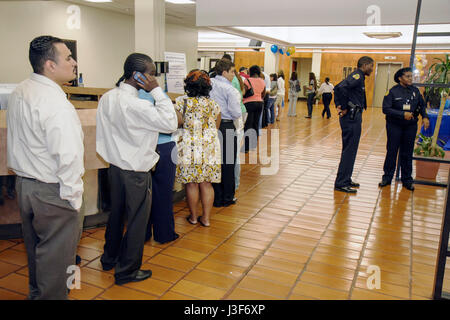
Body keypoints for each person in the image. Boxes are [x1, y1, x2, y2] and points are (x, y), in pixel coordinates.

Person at [7, 35, 84, 300]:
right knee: (56, 264)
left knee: (37, 255)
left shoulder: (21, 90)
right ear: (50, 65)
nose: (74, 63)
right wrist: (73, 199)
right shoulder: (55, 103)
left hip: (26, 186)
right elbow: (68, 155)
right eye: (68, 57)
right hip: (53, 192)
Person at [96, 53, 178, 285]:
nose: (154, 78)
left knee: (116, 215)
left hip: (114, 167)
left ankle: (109, 257)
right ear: (137, 75)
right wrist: (157, 91)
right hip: (135, 172)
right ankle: (127, 271)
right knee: (136, 221)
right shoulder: (138, 105)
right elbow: (171, 123)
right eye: (151, 74)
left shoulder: (108, 97)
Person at [176, 70, 222, 226]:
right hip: (209, 147)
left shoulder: (181, 102)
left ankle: (194, 217)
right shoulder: (214, 104)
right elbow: (216, 127)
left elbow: (177, 123)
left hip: (189, 146)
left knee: (191, 183)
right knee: (207, 183)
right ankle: (206, 219)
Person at [137, 89, 181, 244]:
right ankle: (164, 234)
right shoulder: (158, 94)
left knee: (142, 195)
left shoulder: (131, 96)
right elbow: (175, 121)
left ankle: (142, 234)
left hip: (141, 148)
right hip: (164, 147)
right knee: (163, 193)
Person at [379, 67, 430, 191]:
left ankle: (407, 179)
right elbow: (386, 109)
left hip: (410, 126)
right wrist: (402, 114)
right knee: (392, 151)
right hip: (394, 126)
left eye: (411, 76)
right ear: (400, 78)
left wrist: (425, 117)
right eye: (408, 76)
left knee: (407, 152)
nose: (410, 78)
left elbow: (422, 105)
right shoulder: (392, 92)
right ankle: (387, 177)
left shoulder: (415, 91)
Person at [334, 56, 374, 193]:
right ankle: (341, 182)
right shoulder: (357, 75)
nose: (372, 69)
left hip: (354, 116)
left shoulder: (359, 77)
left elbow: (339, 87)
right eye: (371, 66)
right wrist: (343, 107)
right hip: (351, 117)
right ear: (365, 65)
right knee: (349, 150)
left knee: (351, 149)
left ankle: (346, 178)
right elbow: (340, 88)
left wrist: (340, 105)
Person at [210, 59, 242, 207]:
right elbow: (236, 113)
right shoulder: (230, 89)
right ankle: (228, 197)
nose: (234, 75)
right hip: (226, 125)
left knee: (215, 161)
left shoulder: (209, 83)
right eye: (232, 72)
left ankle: (216, 197)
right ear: (224, 72)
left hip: (210, 126)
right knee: (228, 162)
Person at [243, 65, 266, 152]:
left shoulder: (247, 80)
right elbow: (263, 93)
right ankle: (253, 144)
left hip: (249, 103)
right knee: (256, 124)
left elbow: (244, 92)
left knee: (248, 124)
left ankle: (246, 147)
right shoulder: (262, 81)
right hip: (259, 103)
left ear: (250, 72)